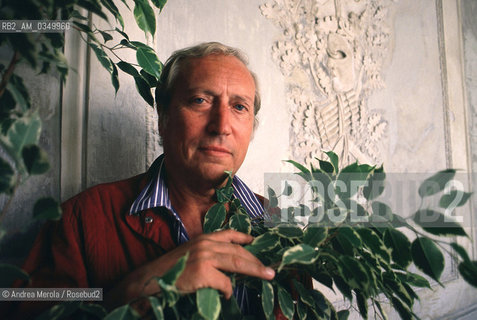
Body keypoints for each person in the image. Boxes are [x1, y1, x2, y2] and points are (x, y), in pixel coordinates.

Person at [6, 42, 277, 318]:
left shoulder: (277, 222)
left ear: (251, 129)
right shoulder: (81, 219)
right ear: (163, 117)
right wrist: (132, 291)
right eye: (200, 100)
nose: (221, 126)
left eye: (239, 107)